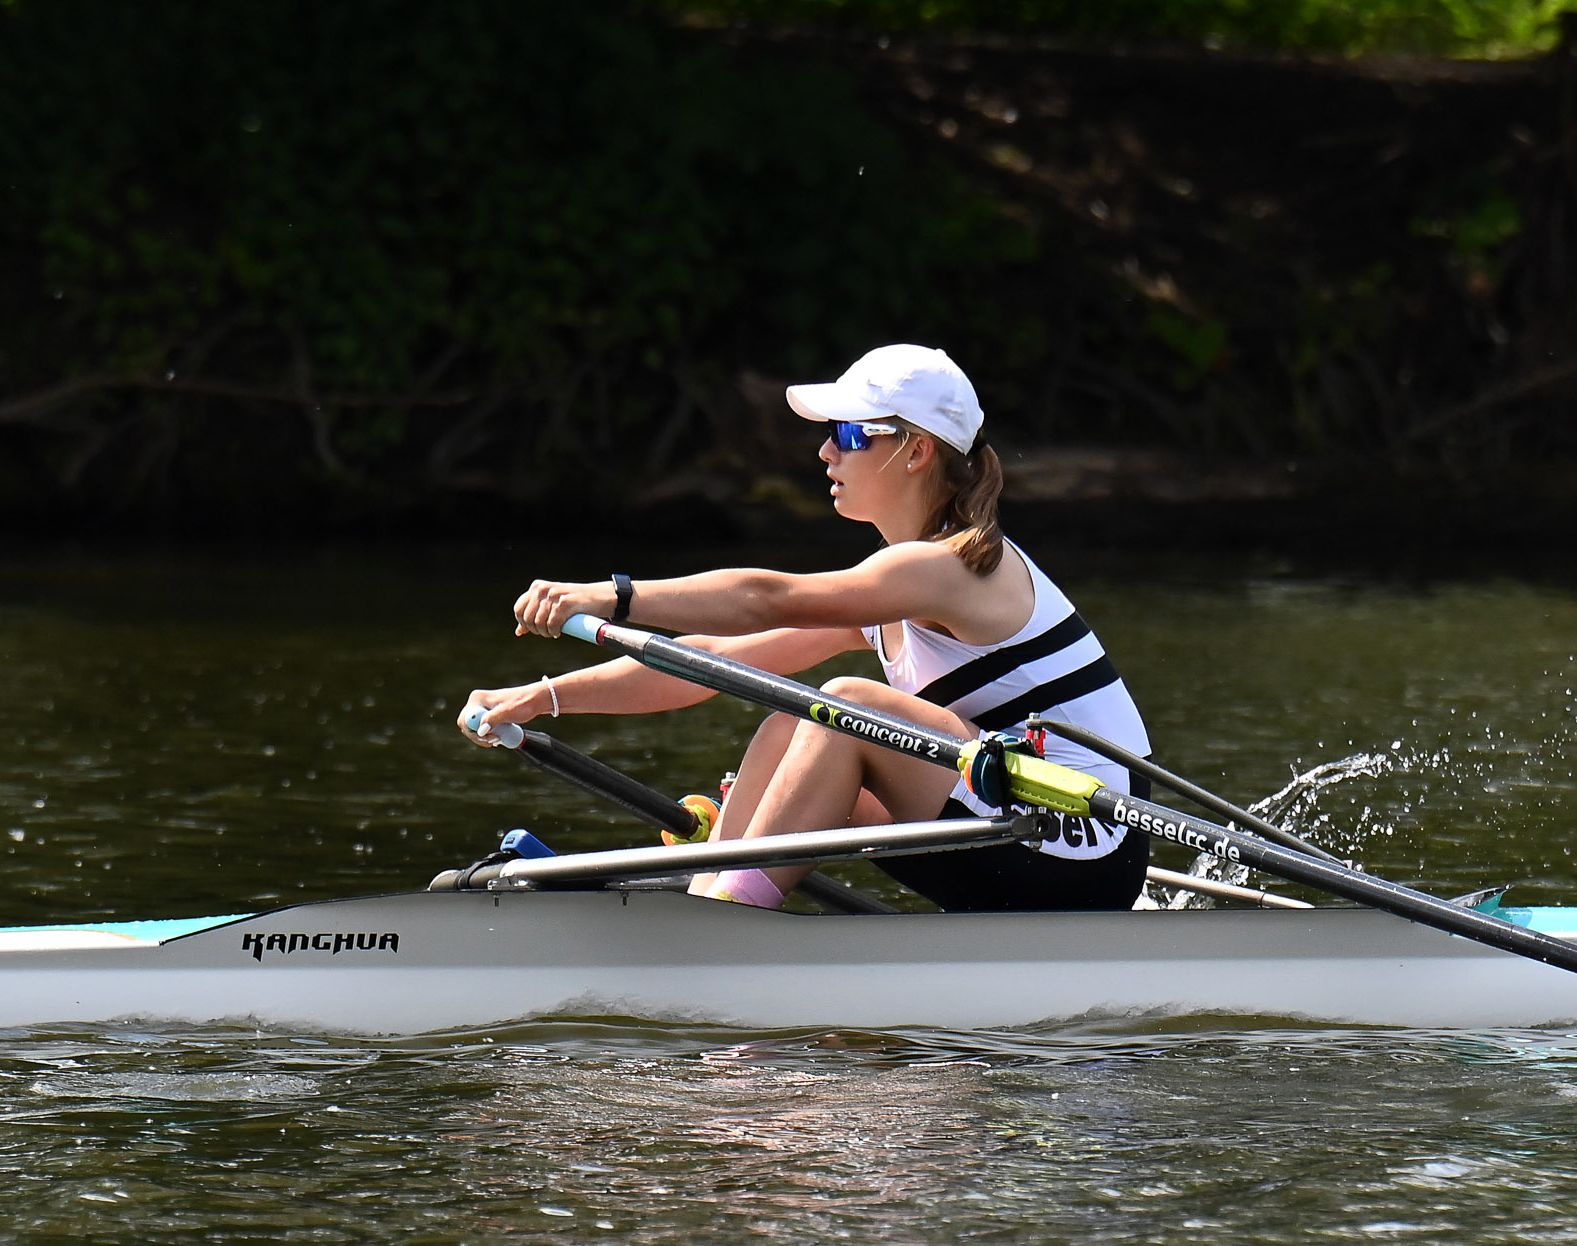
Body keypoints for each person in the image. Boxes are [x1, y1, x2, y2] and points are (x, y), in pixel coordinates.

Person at [458, 344, 1152, 912]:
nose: (825, 453)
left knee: (843, 703)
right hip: (1015, 827)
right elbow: (713, 660)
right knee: (793, 721)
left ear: (915, 453)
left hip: (1083, 846)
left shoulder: (944, 568)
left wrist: (613, 596)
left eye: (848, 435)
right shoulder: (897, 584)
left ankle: (725, 924)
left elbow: (767, 598)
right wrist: (544, 697)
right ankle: (710, 902)